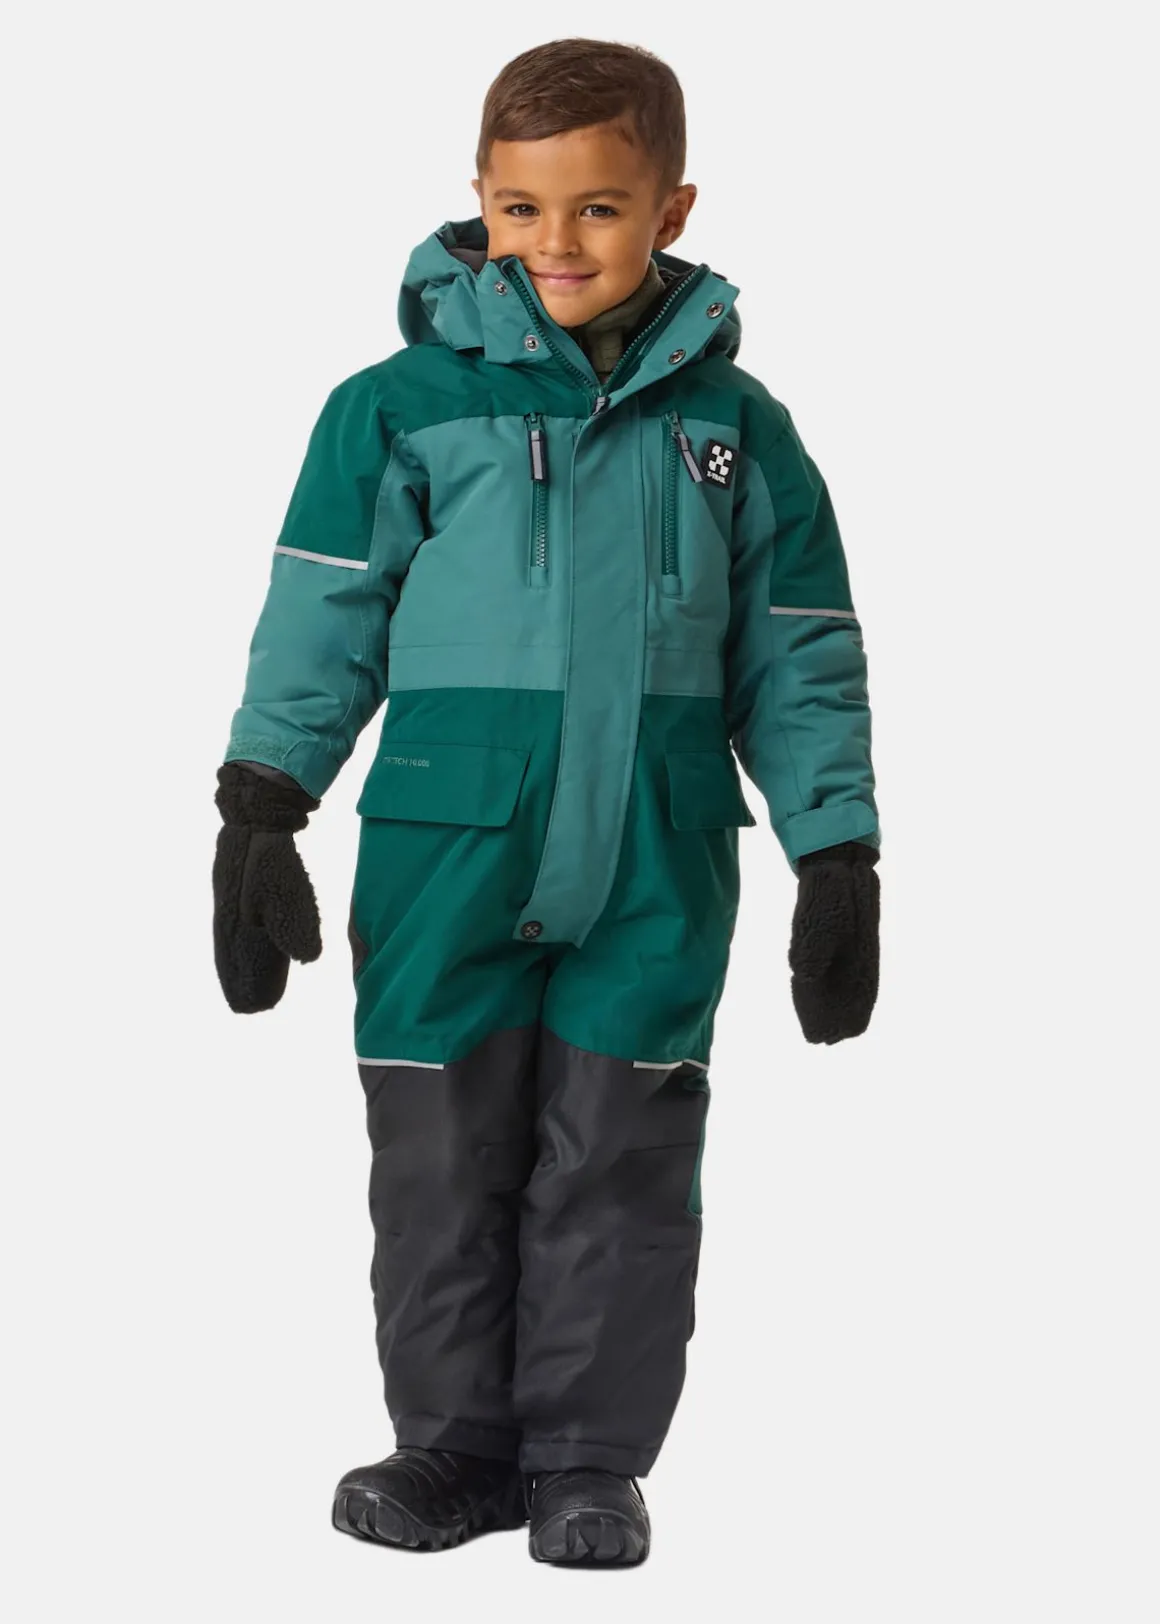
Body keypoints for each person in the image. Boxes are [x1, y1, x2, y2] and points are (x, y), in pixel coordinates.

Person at [212, 36, 880, 1568]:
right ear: (479, 201)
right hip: (448, 842)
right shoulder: (394, 408)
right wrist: (263, 801)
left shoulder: (737, 430)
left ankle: (587, 1461)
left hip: (654, 850)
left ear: (671, 209)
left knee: (623, 1157)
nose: (556, 243)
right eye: (522, 209)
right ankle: (452, 1448)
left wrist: (837, 846)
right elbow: (322, 614)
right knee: (440, 1154)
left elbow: (799, 649)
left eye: (598, 208)